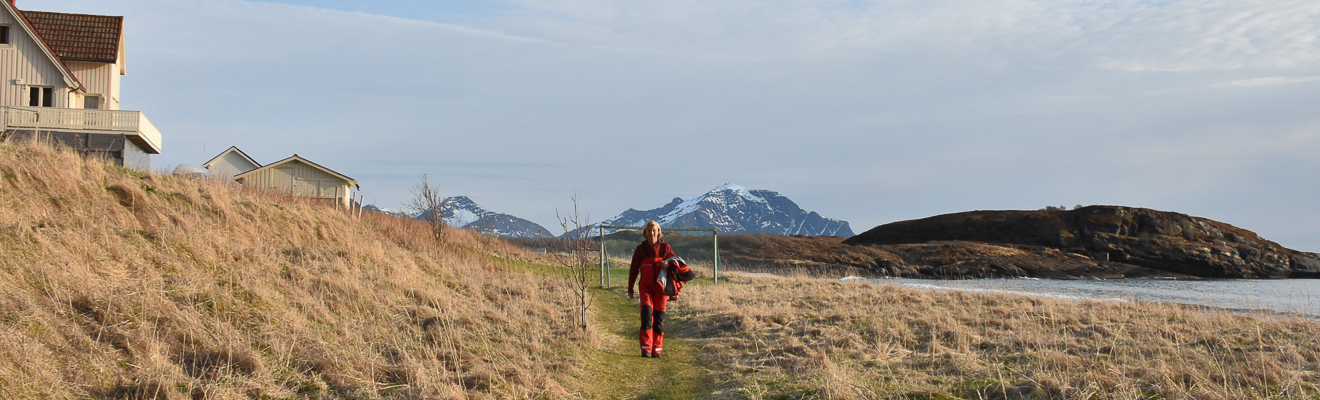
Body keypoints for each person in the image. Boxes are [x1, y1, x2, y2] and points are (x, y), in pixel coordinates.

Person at [628, 220, 675, 358]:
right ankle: (646, 348)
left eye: (654, 230)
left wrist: (668, 265)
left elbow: (675, 263)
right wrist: (630, 288)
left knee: (659, 318)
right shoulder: (640, 249)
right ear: (645, 233)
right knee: (647, 315)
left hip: (661, 288)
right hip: (645, 287)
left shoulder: (666, 247)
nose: (652, 233)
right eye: (649, 231)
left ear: (658, 231)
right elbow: (633, 270)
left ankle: (657, 349)